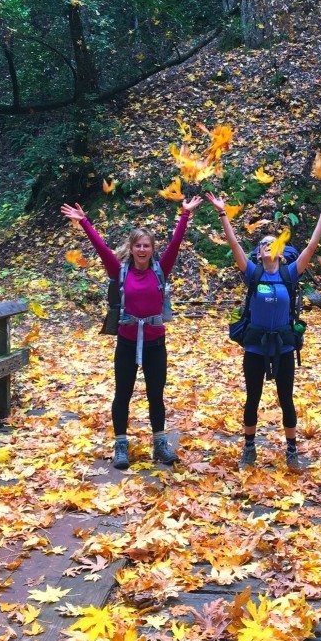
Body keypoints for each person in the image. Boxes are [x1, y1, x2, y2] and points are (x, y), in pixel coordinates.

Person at [60, 196, 202, 468]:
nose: (142, 249)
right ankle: (121, 446)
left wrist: (184, 216)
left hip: (155, 342)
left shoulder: (161, 269)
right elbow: (100, 248)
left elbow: (175, 244)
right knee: (122, 393)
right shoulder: (120, 270)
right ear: (131, 247)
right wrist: (85, 222)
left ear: (151, 249)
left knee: (155, 394)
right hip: (126, 342)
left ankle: (160, 445)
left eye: (146, 245)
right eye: (137, 245)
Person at [205, 193, 321, 469]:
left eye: (273, 243)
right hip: (255, 346)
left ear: (280, 250)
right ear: (259, 253)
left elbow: (312, 247)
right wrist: (223, 214)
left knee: (286, 398)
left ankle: (291, 451)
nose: (268, 246)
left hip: (283, 346)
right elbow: (233, 244)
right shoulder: (252, 273)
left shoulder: (289, 273)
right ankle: (249, 448)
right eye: (263, 244)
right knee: (252, 397)